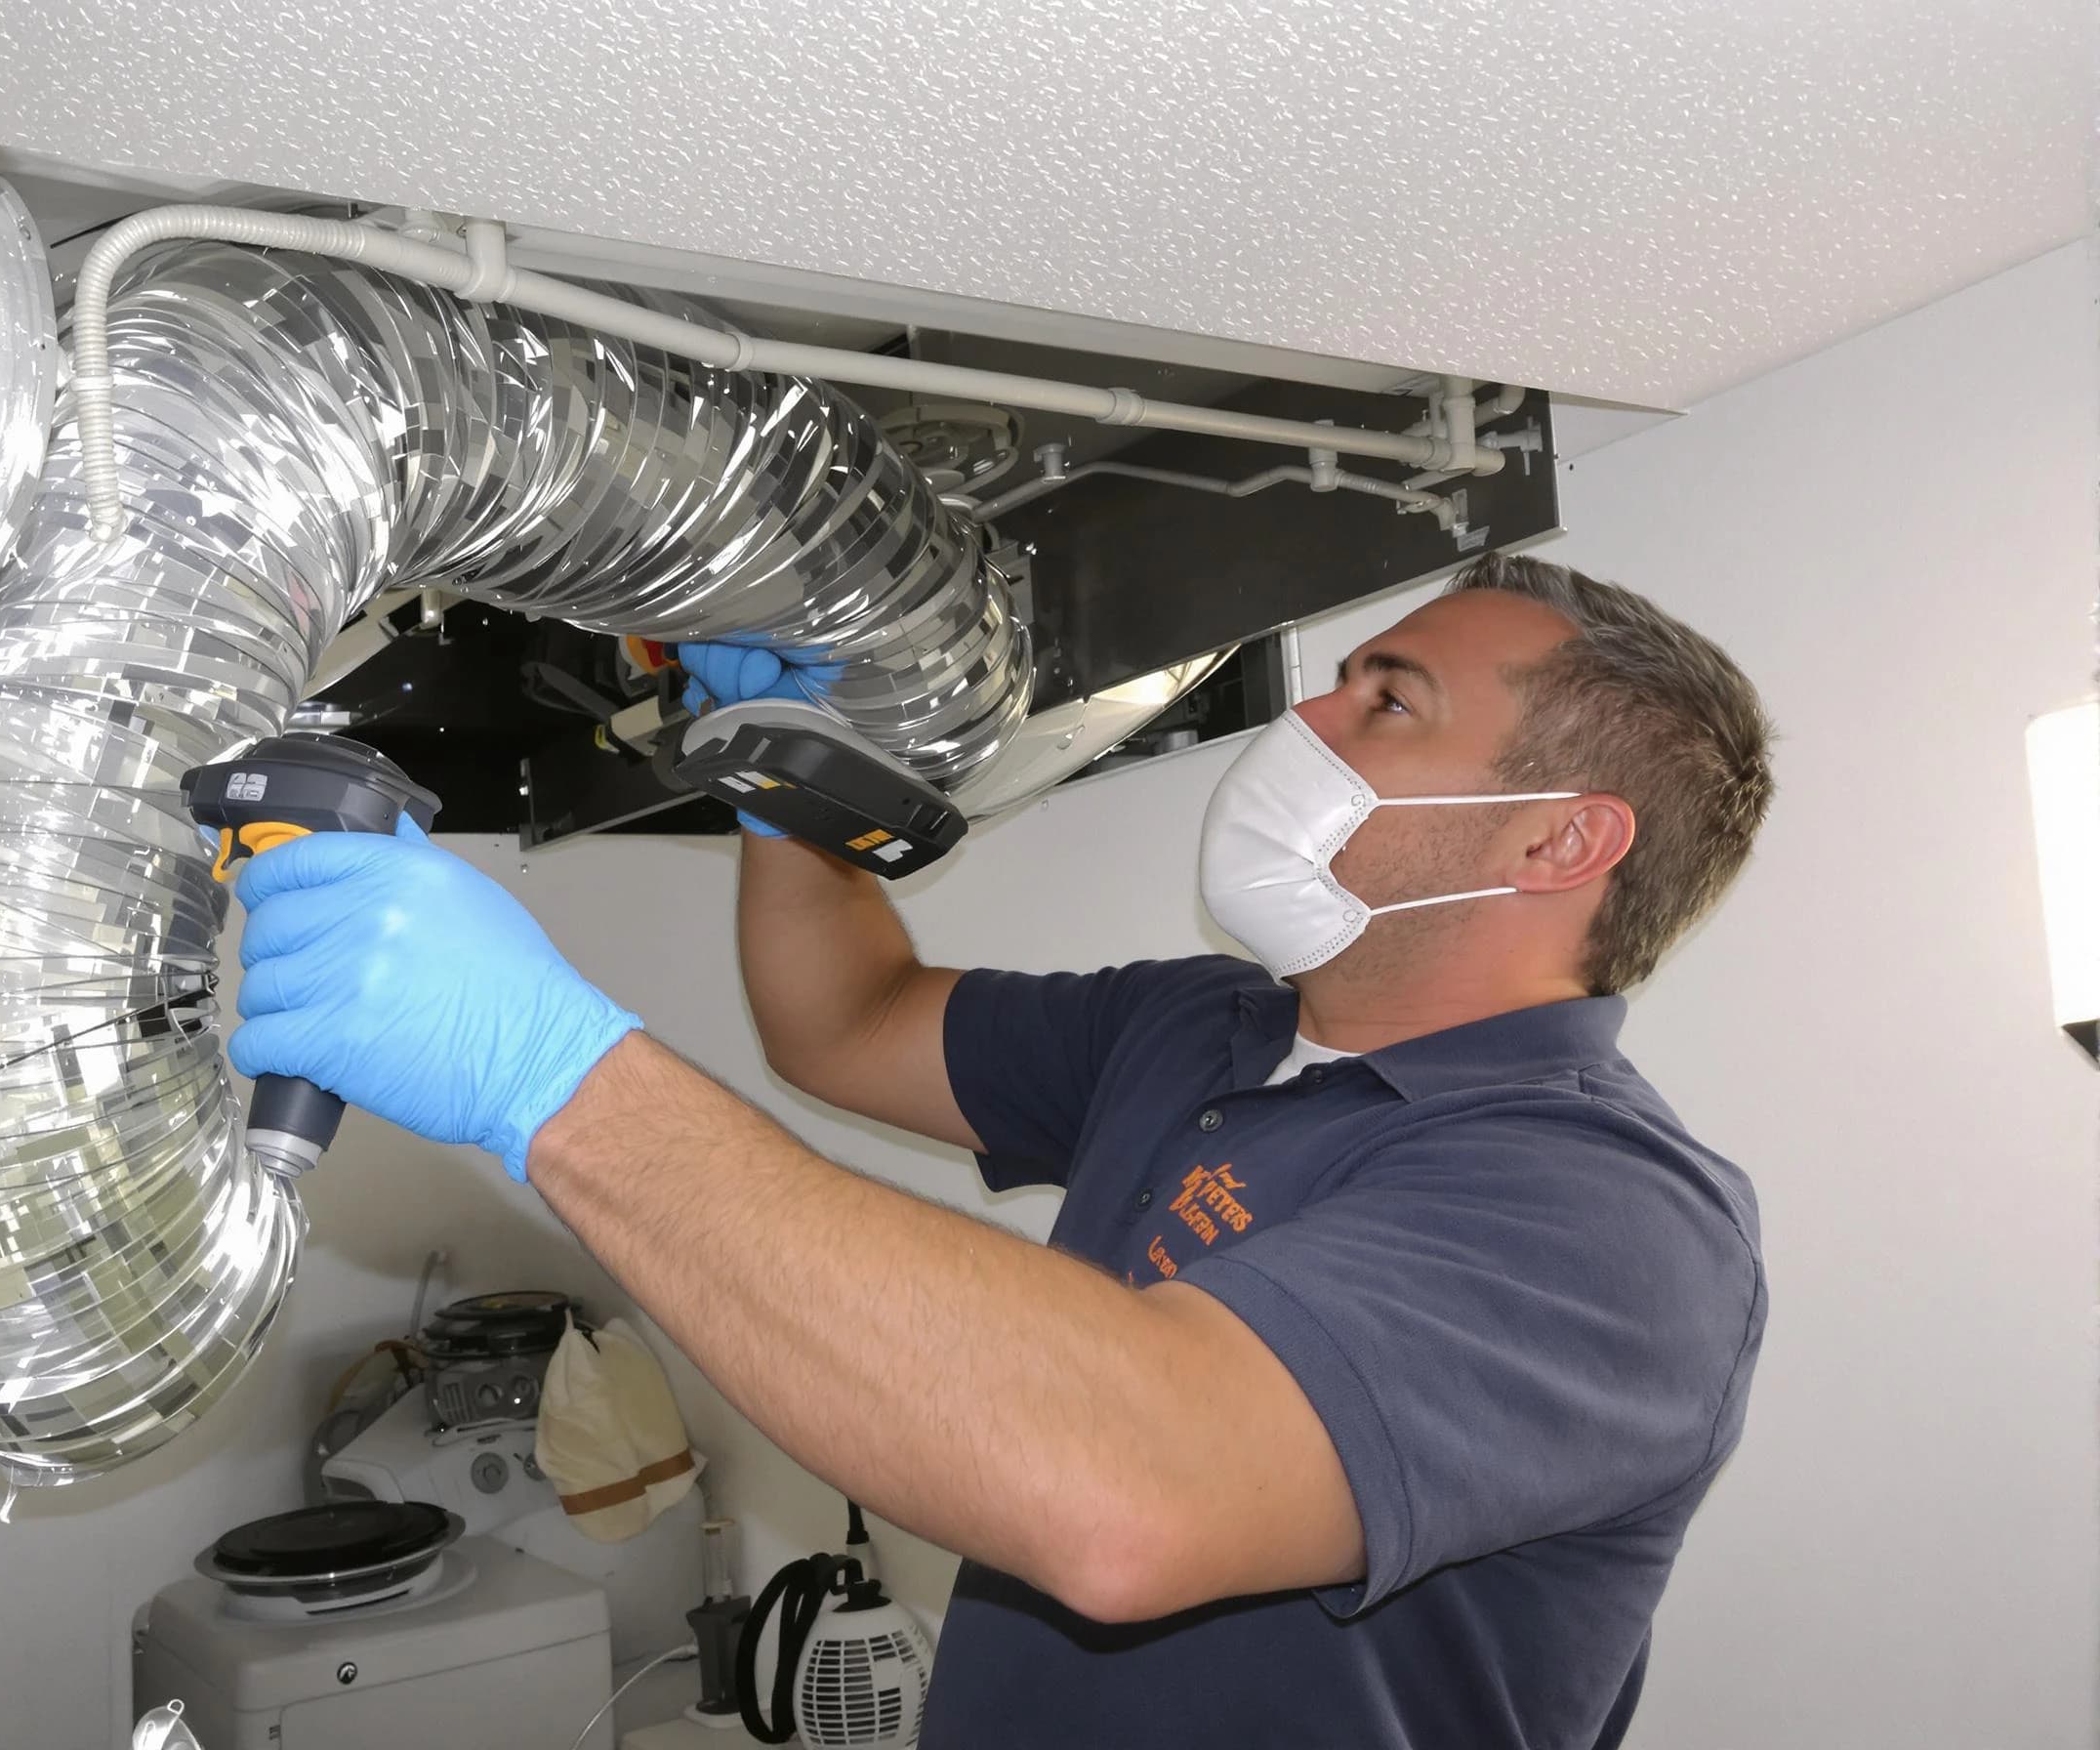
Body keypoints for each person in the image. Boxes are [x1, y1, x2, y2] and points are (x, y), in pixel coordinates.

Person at [226, 553, 1775, 1748]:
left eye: (1389, 700)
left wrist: (547, 1074)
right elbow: (850, 1017)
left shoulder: (1609, 1218)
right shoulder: (1207, 1027)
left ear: (1559, 841)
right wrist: (790, 789)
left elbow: (1125, 1493)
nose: (1309, 717)